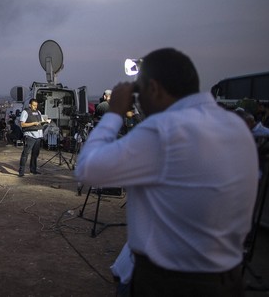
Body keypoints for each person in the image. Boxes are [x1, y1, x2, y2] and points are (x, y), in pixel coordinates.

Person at [75, 48, 258, 296]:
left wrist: (115, 112)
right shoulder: (235, 126)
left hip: (170, 283)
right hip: (228, 279)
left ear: (154, 89)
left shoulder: (164, 129)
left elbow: (87, 169)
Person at [18, 98, 48, 176]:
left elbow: (40, 122)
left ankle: (33, 169)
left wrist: (45, 122)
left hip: (38, 136)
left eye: (36, 105)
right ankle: (21, 171)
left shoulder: (38, 112)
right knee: (25, 153)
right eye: (34, 105)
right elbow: (22, 124)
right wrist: (33, 123)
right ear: (30, 105)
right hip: (30, 135)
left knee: (35, 154)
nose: (35, 107)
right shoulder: (25, 112)